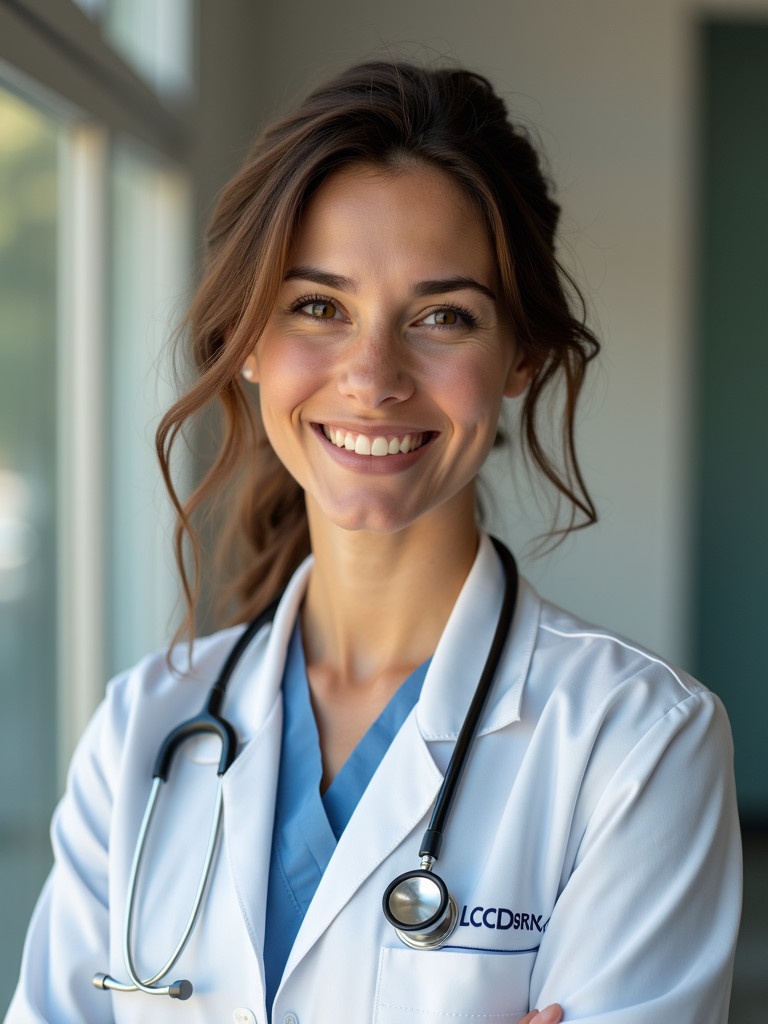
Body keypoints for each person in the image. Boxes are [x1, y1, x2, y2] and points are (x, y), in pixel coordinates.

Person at [7, 61, 741, 1024]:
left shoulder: (639, 742)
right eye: (319, 306)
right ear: (249, 341)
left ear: (519, 355)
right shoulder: (141, 731)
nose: (373, 375)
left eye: (443, 316)